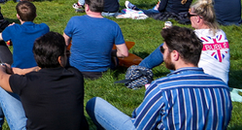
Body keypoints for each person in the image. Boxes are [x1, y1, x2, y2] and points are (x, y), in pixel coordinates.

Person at [86, 26, 231, 130]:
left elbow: (140, 126)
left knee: (94, 103)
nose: (162, 53)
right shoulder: (222, 87)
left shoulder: (162, 88)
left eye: (163, 49)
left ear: (175, 55)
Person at [0, 32, 88, 130]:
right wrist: (22, 71)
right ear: (60, 59)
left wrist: (3, 66)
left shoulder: (27, 82)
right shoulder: (76, 76)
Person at [137, 0, 229, 83]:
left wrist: (167, 37)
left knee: (166, 48)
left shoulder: (195, 37)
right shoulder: (221, 34)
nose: (188, 18)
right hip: (221, 83)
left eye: (190, 15)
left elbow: (171, 45)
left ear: (197, 19)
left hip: (198, 82)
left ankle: (138, 71)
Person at [63, 0, 128, 79]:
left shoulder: (74, 21)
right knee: (115, 59)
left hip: (75, 68)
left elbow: (64, 43)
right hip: (103, 71)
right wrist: (111, 53)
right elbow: (124, 53)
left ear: (87, 7)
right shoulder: (113, 26)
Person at [0, 1, 50, 69]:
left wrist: (8, 30)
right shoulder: (44, 28)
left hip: (18, 69)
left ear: (18, 16)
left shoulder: (13, 29)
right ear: (35, 15)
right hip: (39, 67)